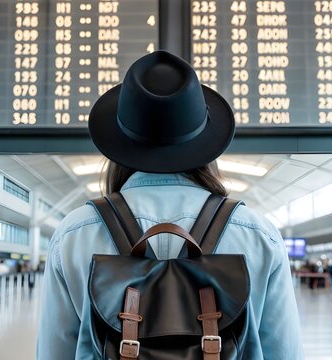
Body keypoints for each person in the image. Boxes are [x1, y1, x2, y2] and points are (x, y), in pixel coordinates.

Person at [36, 51, 303, 359]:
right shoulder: (258, 234)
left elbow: (54, 352)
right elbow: (284, 351)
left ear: (120, 143)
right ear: (203, 143)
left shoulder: (73, 234)